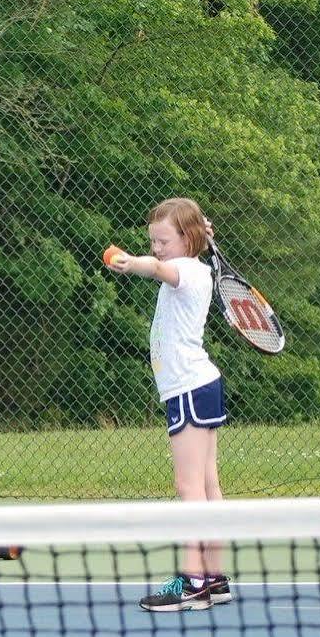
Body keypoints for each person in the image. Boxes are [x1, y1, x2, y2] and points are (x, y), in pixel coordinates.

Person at [108, 198, 235, 612]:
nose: (157, 247)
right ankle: (214, 578)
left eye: (163, 240)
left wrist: (133, 262)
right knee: (207, 484)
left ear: (187, 238)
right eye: (153, 241)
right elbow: (172, 261)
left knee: (189, 487)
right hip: (200, 385)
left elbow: (160, 269)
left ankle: (193, 581)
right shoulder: (200, 267)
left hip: (188, 389)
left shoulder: (184, 272)